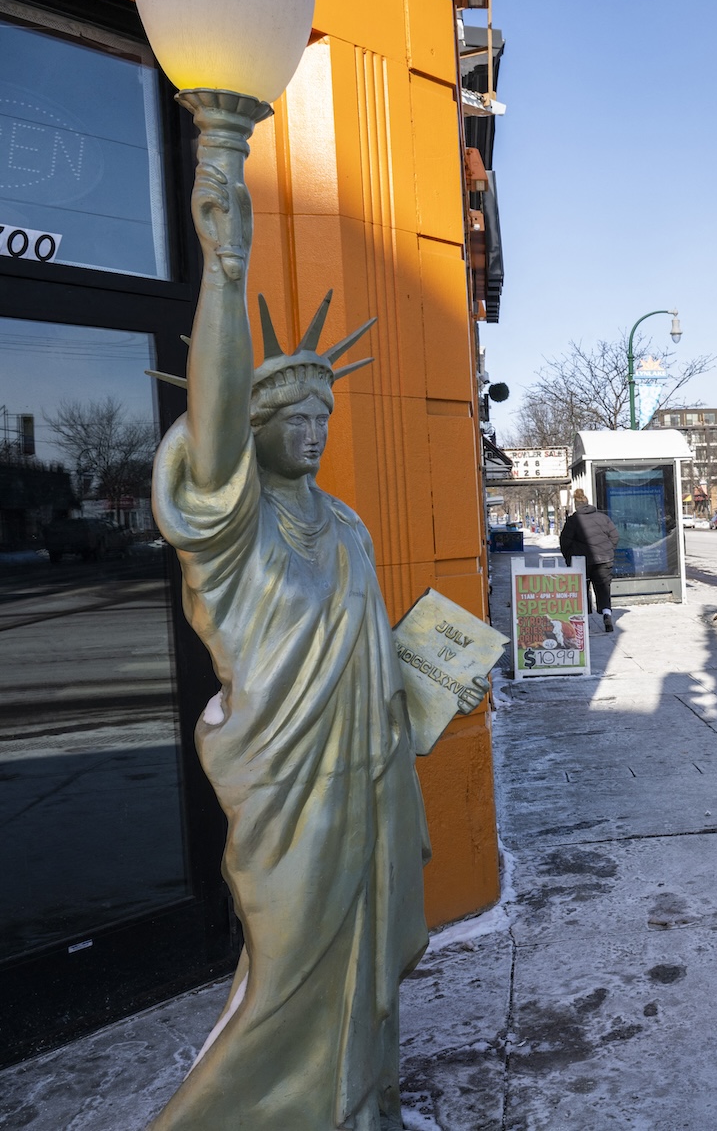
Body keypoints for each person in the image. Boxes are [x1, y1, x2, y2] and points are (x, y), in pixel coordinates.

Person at [148, 130, 484, 1130]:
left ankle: (362, 1103)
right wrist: (228, 267)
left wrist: (431, 682)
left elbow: (371, 646)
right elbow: (211, 427)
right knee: (290, 971)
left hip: (367, 774)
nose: (315, 430)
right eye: (294, 414)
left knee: (366, 963)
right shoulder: (232, 527)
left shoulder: (343, 523)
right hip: (284, 787)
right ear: (251, 431)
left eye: (325, 415)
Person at [558, 487, 620, 631]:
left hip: (581, 562)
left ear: (576, 505)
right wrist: (609, 550)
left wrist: (569, 557)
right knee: (603, 587)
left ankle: (584, 620)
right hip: (604, 559)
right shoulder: (603, 518)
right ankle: (606, 613)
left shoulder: (573, 521)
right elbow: (615, 536)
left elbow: (564, 541)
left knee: (581, 589)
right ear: (588, 503)